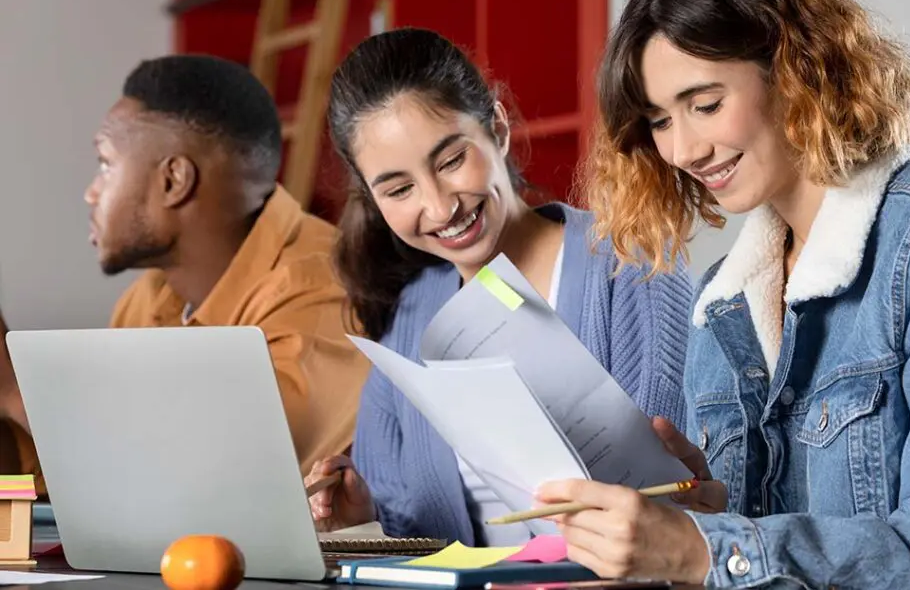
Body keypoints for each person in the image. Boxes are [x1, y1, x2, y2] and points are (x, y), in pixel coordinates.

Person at [534, 0, 910, 588]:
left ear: (795, 67)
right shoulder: (720, 305)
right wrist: (703, 512)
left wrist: (706, 550)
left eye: (705, 104)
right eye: (659, 120)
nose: (682, 150)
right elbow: (776, 541)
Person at [303, 28, 711, 546]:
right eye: (400, 189)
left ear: (496, 128)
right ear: (373, 198)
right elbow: (411, 531)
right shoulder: (411, 314)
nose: (440, 206)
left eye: (451, 161)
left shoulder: (634, 269)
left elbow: (677, 495)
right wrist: (367, 514)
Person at [0, 55, 370, 485]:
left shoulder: (322, 289)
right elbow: (68, 485)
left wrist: (14, 390)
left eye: (105, 164)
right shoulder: (150, 297)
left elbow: (228, 476)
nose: (90, 193)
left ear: (174, 180)